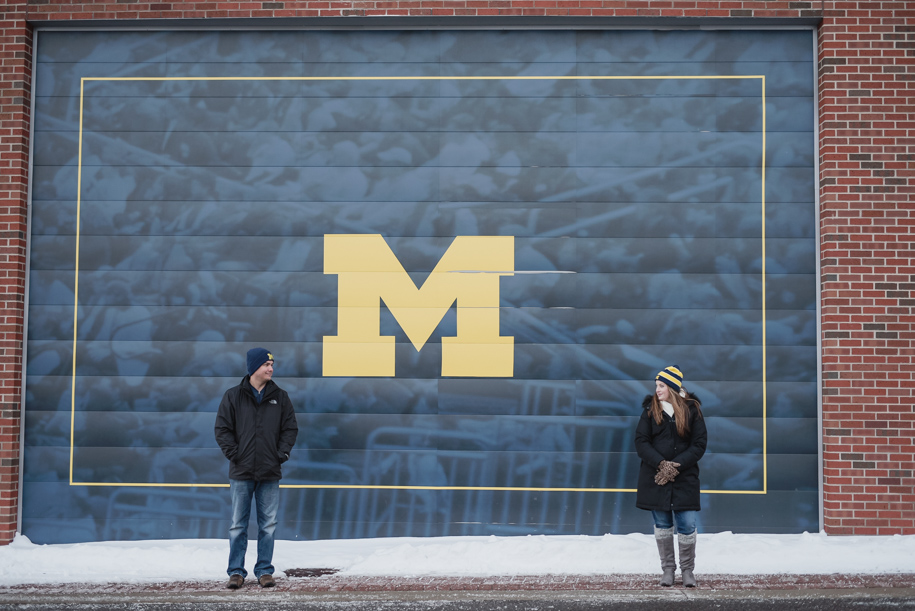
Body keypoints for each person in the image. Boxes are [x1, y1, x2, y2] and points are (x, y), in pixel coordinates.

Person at [215, 347, 298, 589]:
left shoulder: (280, 397)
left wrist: (280, 454)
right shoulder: (233, 396)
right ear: (254, 368)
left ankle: (264, 571)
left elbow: (290, 429)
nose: (271, 368)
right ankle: (236, 572)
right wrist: (235, 454)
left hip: (270, 471)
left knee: (268, 525)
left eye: (272, 364)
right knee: (238, 525)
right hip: (241, 471)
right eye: (266, 364)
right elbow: (222, 429)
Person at [634, 365, 707, 588]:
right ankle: (668, 570)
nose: (657, 390)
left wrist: (676, 465)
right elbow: (641, 442)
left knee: (687, 524)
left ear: (673, 388)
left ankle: (687, 571)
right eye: (656, 386)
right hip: (656, 478)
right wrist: (661, 464)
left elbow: (699, 444)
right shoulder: (649, 410)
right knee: (663, 524)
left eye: (661, 386)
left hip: (685, 478)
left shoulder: (692, 410)